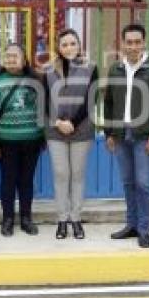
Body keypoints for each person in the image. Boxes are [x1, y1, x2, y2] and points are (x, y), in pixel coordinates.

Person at [104, 23, 149, 248]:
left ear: (143, 43)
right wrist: (109, 132)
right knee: (128, 182)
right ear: (122, 44)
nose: (133, 46)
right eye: (128, 42)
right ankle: (131, 225)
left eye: (137, 42)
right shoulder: (115, 69)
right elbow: (109, 102)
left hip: (145, 136)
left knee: (144, 184)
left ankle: (144, 229)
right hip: (121, 135)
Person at [44, 28, 98, 240]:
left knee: (77, 174)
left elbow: (91, 100)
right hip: (55, 130)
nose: (68, 48)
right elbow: (44, 101)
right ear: (58, 47)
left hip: (81, 129)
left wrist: (72, 123)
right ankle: (62, 220)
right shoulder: (47, 69)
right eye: (64, 44)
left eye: (72, 43)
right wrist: (57, 122)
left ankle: (76, 219)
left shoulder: (90, 67)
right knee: (60, 174)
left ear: (79, 45)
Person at [0, 43, 44, 236]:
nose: (11, 59)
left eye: (15, 56)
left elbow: (44, 110)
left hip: (31, 140)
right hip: (6, 141)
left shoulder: (35, 81)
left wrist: (43, 135)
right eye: (7, 56)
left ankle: (26, 218)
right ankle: (8, 219)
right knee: (8, 181)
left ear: (24, 59)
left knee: (27, 181)